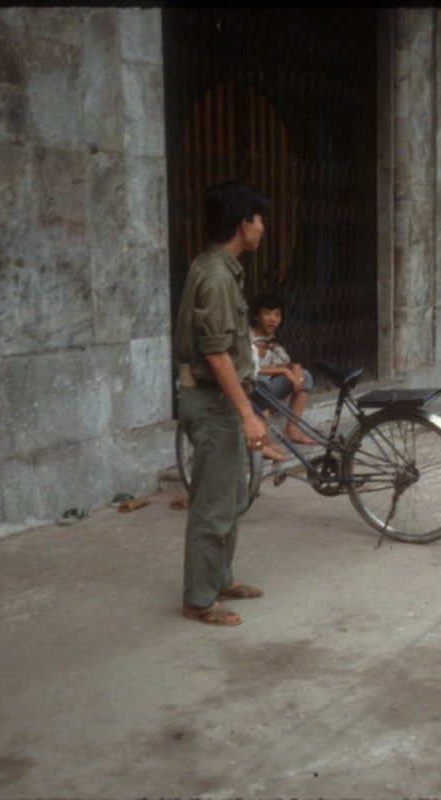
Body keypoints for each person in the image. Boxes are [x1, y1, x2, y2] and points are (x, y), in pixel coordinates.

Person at [173, 182, 271, 626]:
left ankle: (221, 578)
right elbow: (215, 354)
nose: (263, 228)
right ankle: (198, 598)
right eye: (259, 219)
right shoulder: (214, 276)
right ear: (242, 224)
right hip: (212, 403)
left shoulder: (225, 269)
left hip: (223, 403)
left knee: (231, 495)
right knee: (213, 504)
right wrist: (248, 415)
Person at [250, 292, 315, 445]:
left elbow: (286, 362)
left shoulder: (272, 341)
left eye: (277, 315)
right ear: (256, 316)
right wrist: (284, 371)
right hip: (245, 391)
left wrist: (296, 368)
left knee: (305, 376)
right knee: (262, 381)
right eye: (267, 314)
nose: (273, 319)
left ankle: (292, 430)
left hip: (263, 393)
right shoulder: (247, 337)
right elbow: (248, 370)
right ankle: (261, 442)